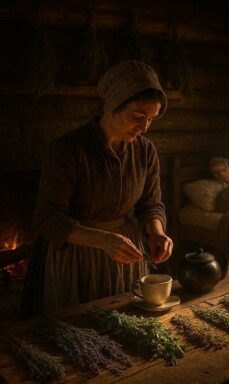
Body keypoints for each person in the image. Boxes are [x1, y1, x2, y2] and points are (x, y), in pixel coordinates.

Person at [22, 60, 173, 317]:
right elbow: (48, 218)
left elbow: (151, 204)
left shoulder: (145, 151)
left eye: (151, 119)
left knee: (125, 324)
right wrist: (102, 240)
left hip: (124, 255)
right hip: (76, 257)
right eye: (137, 116)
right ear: (112, 105)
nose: (144, 127)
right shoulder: (69, 150)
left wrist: (157, 232)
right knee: (79, 330)